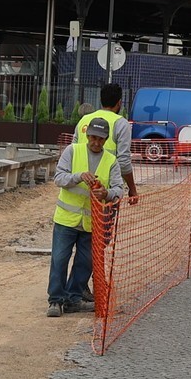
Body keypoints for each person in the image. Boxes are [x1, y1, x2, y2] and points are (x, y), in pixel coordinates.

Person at [49, 116, 130, 316]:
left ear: (105, 139)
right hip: (67, 220)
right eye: (93, 137)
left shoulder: (111, 161)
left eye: (101, 139)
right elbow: (59, 178)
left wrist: (107, 194)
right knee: (59, 260)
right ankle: (55, 300)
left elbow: (119, 189)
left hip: (93, 223)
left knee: (85, 263)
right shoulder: (72, 151)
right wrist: (77, 177)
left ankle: (73, 298)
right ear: (87, 135)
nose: (96, 142)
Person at [73, 82, 139, 200]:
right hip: (103, 192)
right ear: (119, 103)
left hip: (78, 188)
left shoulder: (84, 120)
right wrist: (132, 189)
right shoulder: (121, 124)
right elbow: (123, 163)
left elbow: (72, 152)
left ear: (101, 100)